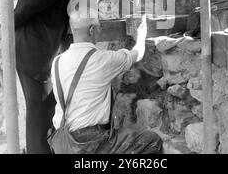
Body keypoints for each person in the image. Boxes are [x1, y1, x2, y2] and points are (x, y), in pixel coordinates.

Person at [14, 0, 95, 154]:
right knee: (40, 110)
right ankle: (38, 151)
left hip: (27, 47)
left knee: (41, 109)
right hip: (35, 54)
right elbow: (32, 4)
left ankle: (41, 148)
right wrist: (10, 24)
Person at [49, 13, 162, 154]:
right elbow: (137, 54)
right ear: (91, 30)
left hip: (62, 141)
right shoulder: (102, 60)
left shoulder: (57, 61)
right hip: (89, 144)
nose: (100, 30)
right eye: (98, 27)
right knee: (151, 140)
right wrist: (141, 34)